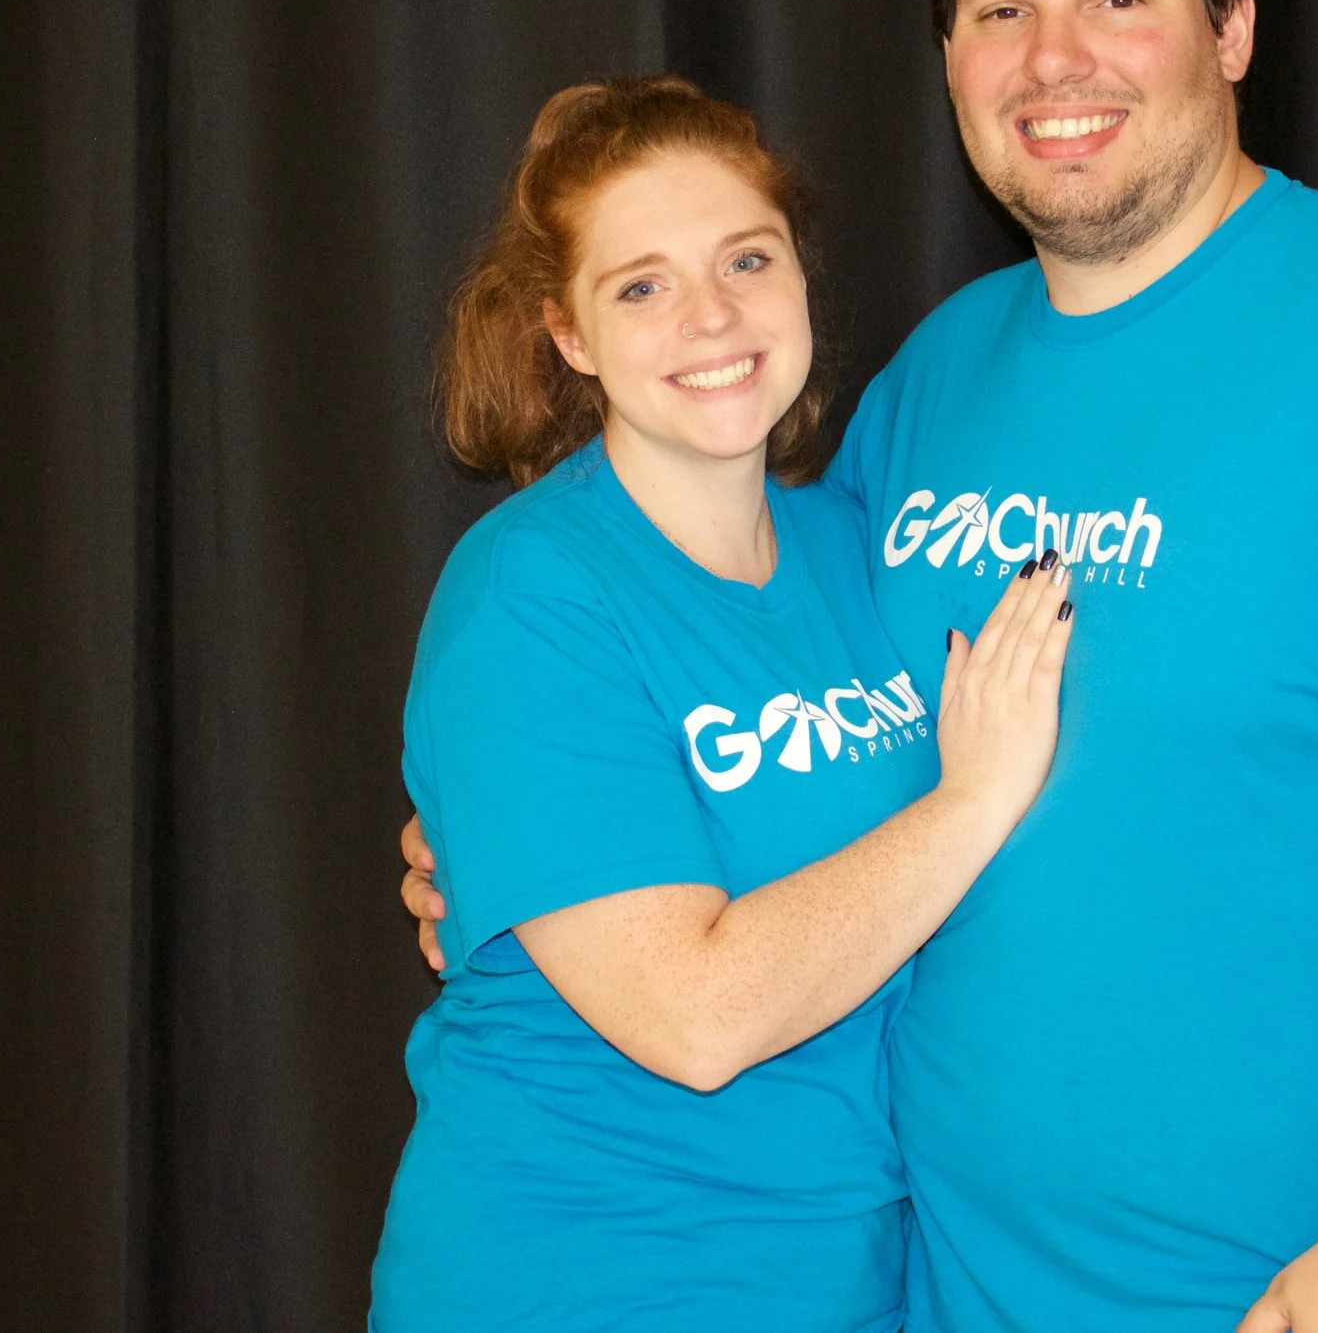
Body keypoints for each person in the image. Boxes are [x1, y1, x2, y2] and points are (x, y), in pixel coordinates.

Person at [405, 0, 1318, 1333]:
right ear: (950, 54)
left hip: (1305, 1293)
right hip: (947, 1292)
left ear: (1233, 28)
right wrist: (517, 851)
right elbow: (766, 728)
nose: (1052, 58)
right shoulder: (931, 385)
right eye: (1000, 8)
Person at [369, 76, 1074, 1333]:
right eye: (640, 286)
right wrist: (973, 800)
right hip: (577, 1280)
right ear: (570, 335)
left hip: (844, 1277)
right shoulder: (530, 592)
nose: (711, 316)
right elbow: (693, 1017)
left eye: (746, 259)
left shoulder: (854, 546)